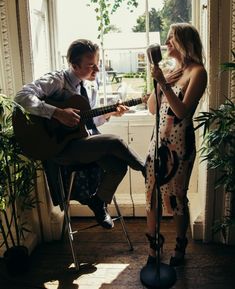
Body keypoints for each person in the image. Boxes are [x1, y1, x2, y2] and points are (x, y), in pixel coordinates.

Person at [14, 39, 145, 229]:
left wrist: (109, 114)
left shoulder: (89, 86)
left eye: (97, 64)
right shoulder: (56, 80)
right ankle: (148, 170)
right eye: (91, 66)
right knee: (115, 141)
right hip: (60, 147)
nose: (97, 70)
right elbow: (21, 97)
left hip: (81, 142)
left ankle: (98, 202)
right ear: (74, 65)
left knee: (118, 166)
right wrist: (57, 113)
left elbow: (85, 122)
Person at [144, 23, 207, 266]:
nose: (167, 43)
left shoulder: (198, 72)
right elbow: (152, 109)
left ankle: (179, 248)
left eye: (171, 39)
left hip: (179, 146)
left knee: (177, 196)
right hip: (157, 142)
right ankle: (153, 250)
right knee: (151, 194)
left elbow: (182, 112)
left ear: (184, 42)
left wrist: (165, 84)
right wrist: (159, 82)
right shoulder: (172, 70)